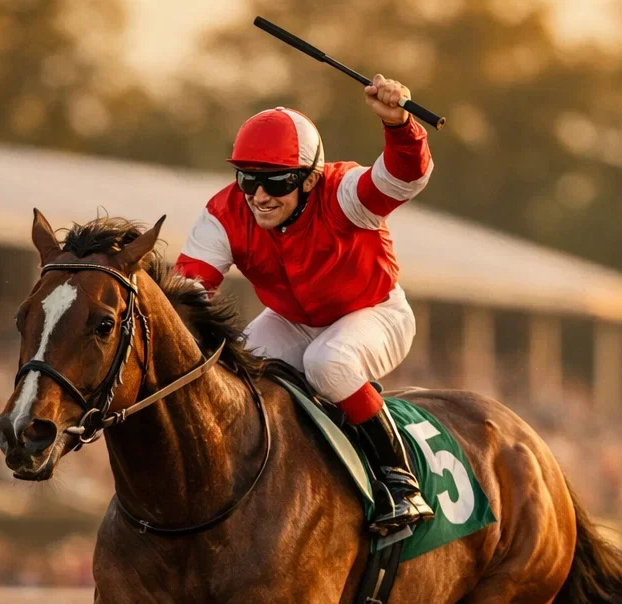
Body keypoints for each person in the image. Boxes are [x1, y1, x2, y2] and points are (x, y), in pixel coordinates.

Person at [176, 74, 435, 534]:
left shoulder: (344, 195)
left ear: (309, 178)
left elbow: (403, 177)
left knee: (327, 361)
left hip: (374, 312)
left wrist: (399, 126)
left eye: (275, 181)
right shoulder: (224, 213)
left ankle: (401, 483)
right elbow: (188, 296)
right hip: (293, 319)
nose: (259, 196)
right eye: (249, 179)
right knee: (235, 370)